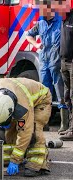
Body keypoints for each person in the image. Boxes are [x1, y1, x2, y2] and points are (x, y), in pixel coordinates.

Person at [0, 78, 52, 177]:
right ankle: (10, 158)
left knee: (34, 131)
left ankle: (36, 164)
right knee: (10, 132)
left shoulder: (23, 107)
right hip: (18, 95)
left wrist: (15, 160)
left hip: (41, 100)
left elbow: (25, 133)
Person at [26, 0, 68, 133]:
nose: (40, 12)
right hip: (44, 63)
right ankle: (44, 123)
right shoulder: (41, 23)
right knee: (45, 94)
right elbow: (28, 35)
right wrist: (36, 45)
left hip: (57, 64)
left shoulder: (60, 22)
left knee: (61, 93)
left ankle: (64, 124)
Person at [58, 0, 73, 140]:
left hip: (72, 63)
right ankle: (69, 128)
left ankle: (72, 130)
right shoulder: (63, 21)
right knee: (67, 96)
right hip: (64, 62)